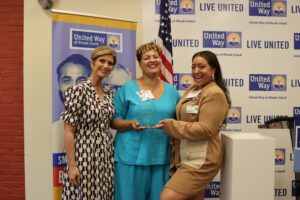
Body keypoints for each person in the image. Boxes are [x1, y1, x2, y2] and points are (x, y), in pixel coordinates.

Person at [111, 41, 181, 200]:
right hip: (131, 157)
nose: (152, 60)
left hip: (162, 157)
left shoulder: (172, 91)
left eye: (156, 56)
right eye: (147, 58)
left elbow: (179, 121)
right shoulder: (126, 89)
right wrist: (130, 124)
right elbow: (114, 121)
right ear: (140, 63)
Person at [159, 50, 231, 200]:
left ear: (213, 69)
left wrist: (172, 127)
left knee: (167, 197)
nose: (196, 71)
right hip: (186, 155)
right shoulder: (194, 89)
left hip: (202, 160)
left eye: (201, 66)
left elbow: (206, 129)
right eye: (193, 67)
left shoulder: (214, 93)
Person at [60, 46, 117, 200]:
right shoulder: (78, 90)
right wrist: (72, 166)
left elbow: (112, 122)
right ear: (92, 63)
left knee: (105, 194)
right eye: (102, 61)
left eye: (110, 63)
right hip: (83, 153)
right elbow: (68, 131)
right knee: (84, 195)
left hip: (105, 153)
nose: (105, 66)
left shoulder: (110, 92)